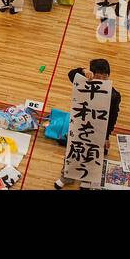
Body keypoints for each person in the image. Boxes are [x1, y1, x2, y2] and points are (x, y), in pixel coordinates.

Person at [54, 58, 122, 189]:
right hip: (80, 126)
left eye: (105, 76)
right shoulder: (84, 83)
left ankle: (87, 179)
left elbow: (113, 117)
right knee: (74, 151)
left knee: (92, 154)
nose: (101, 79)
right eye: (98, 76)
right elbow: (71, 74)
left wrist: (107, 136)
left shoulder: (114, 95)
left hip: (98, 131)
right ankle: (67, 176)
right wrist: (82, 70)